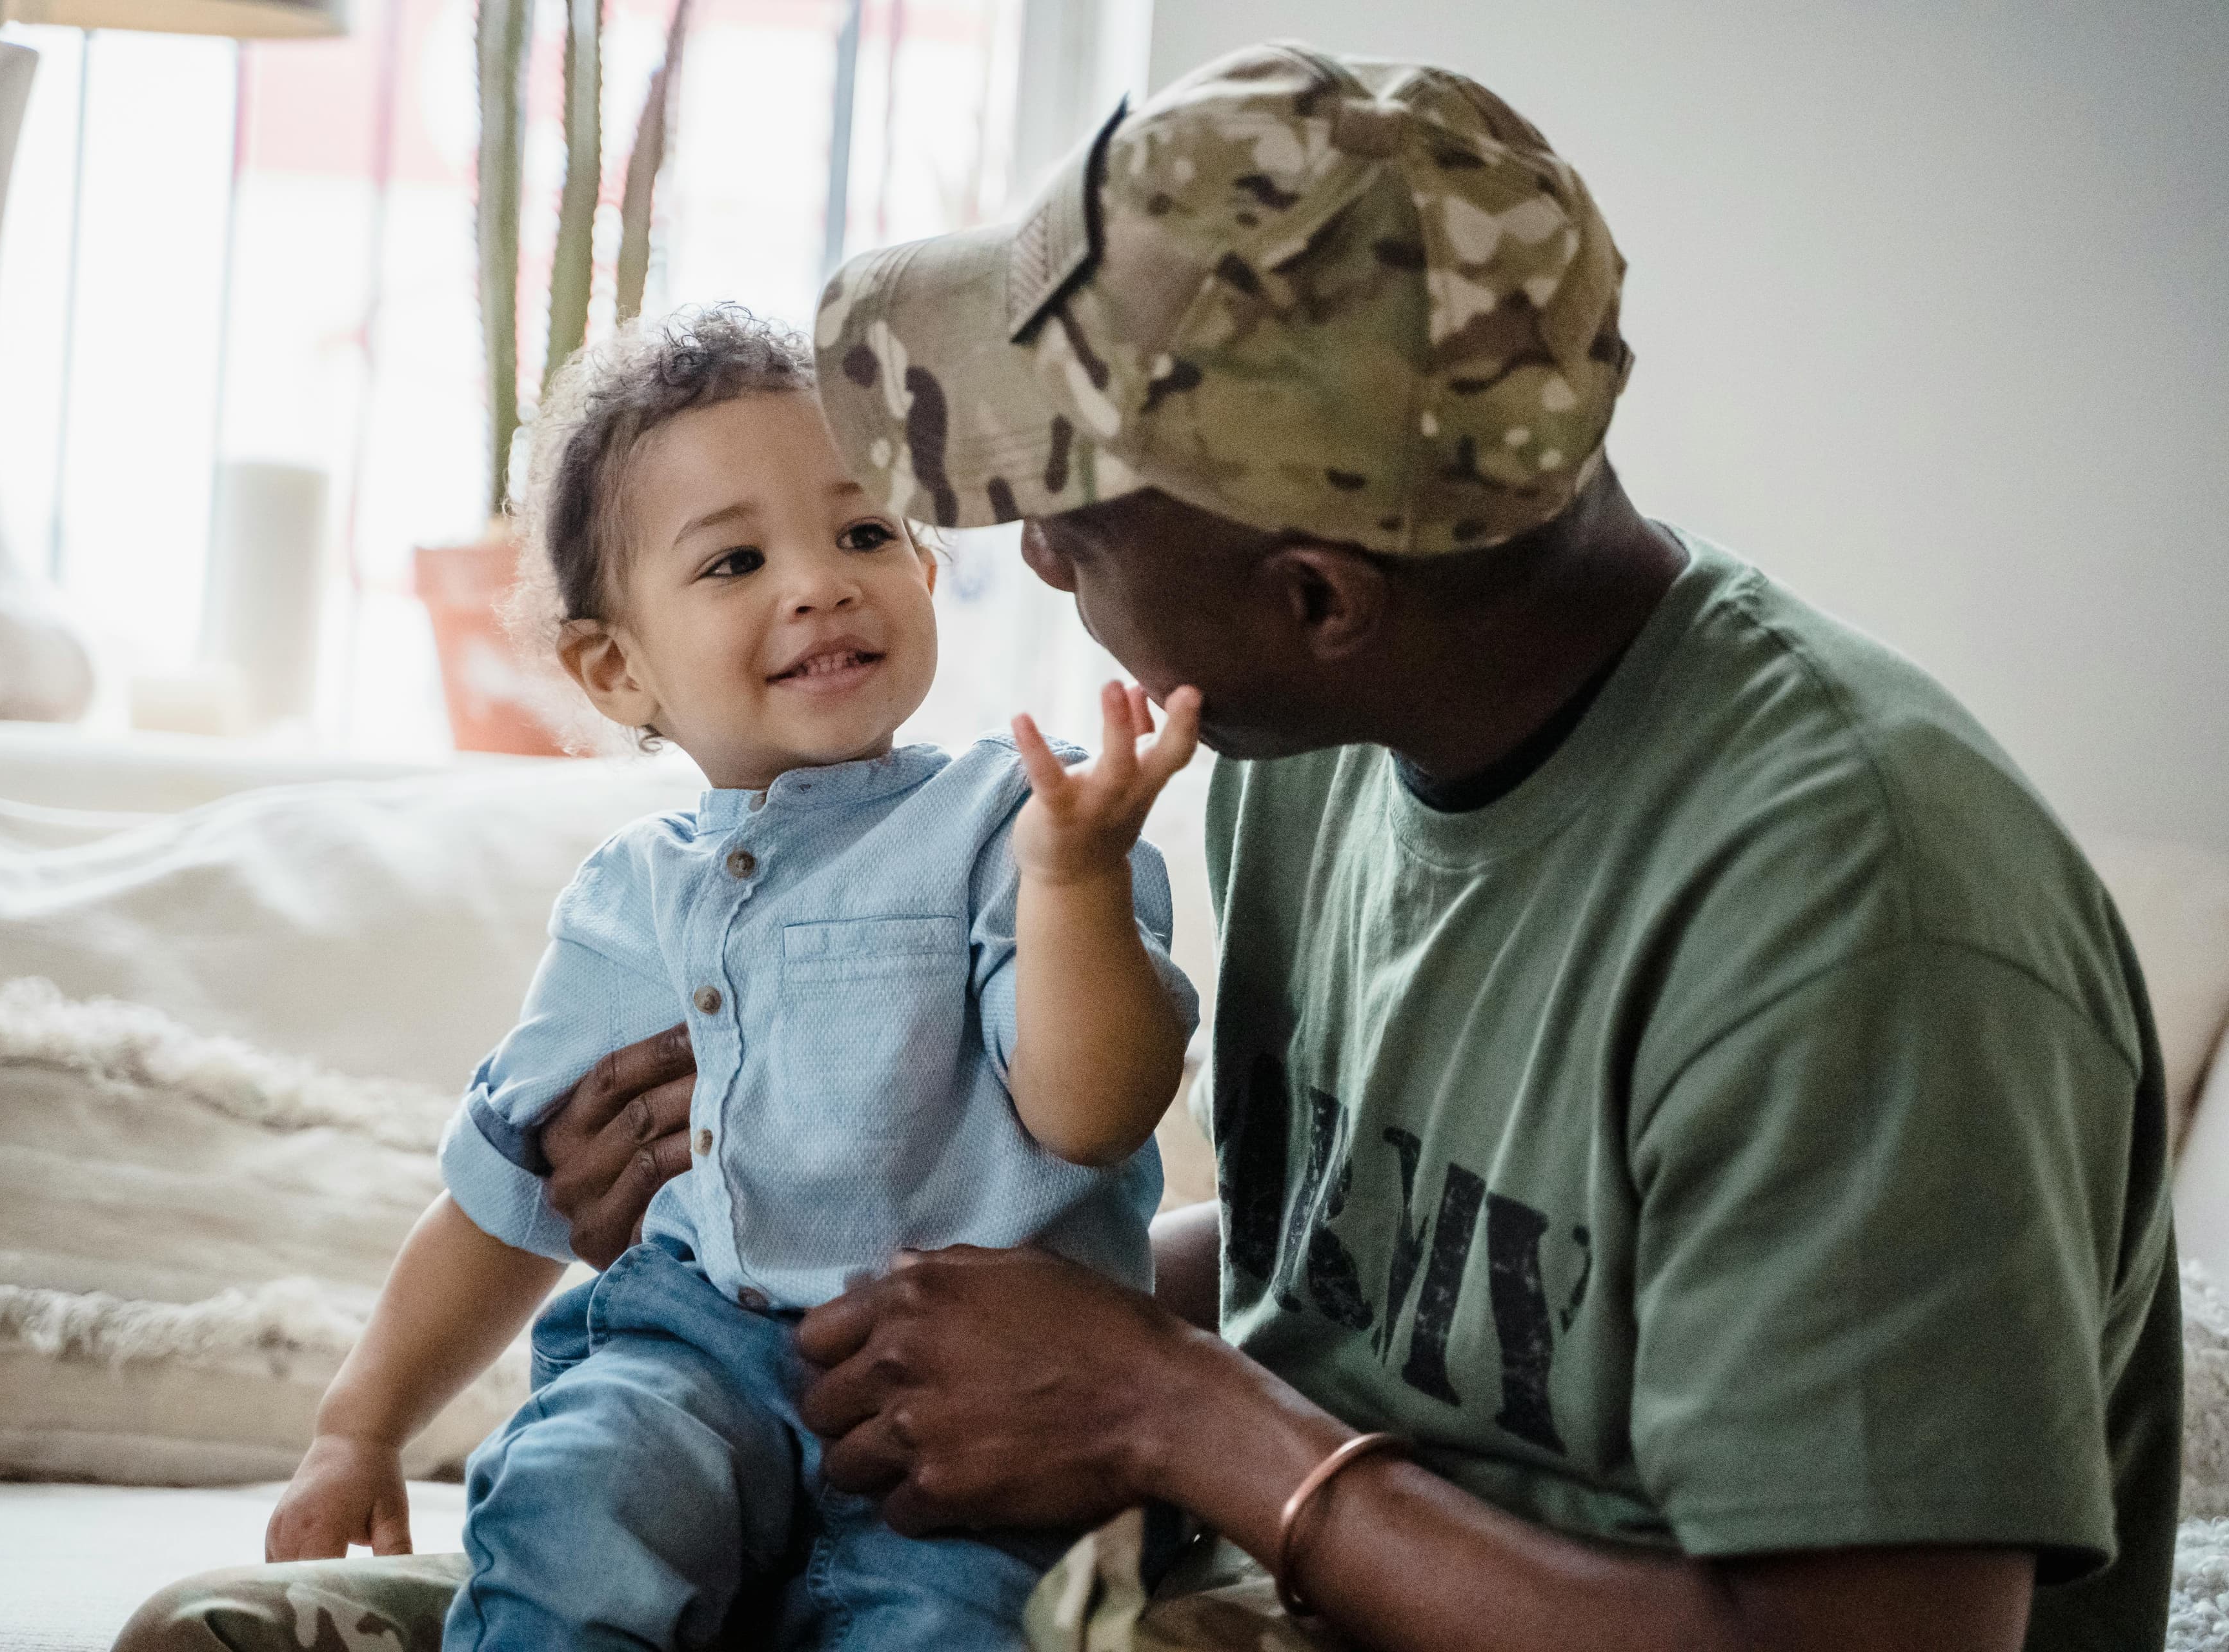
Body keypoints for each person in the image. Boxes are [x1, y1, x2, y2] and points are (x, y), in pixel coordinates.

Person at [117, 41, 2177, 1652]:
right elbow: (1371, 1276)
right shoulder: (1316, 731)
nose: (1007, 558)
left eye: (1065, 521)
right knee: (235, 1634)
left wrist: (1173, 1411)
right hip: (1242, 1559)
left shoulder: (1855, 917)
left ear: (1312, 592)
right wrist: (803, 1196)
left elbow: (1871, 1641)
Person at [243, 307, 1203, 1652]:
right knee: (580, 1491)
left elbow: (1092, 1110)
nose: (818, 582)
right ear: (615, 665)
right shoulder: (625, 901)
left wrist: (1077, 879)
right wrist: (359, 1424)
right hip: (697, 1361)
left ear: (926, 574)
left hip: (981, 1410)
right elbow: (499, 1196)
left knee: (955, 1621)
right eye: (737, 558)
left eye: (864, 533)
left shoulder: (1015, 823)